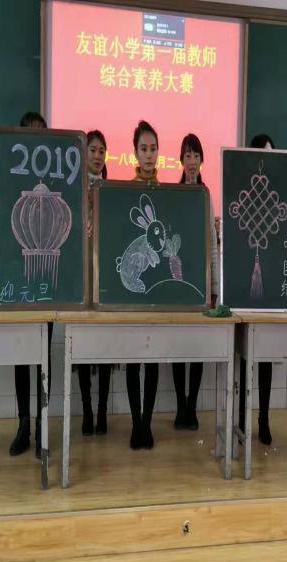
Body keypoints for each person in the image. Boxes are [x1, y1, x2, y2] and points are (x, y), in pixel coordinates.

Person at [238, 133, 287, 445]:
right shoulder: (242, 185)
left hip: (269, 284)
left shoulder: (281, 189)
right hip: (244, 283)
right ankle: (241, 417)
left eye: (272, 153)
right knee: (243, 357)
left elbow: (286, 238)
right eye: (263, 153)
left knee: (264, 356)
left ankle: (263, 418)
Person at [6, 111, 52, 457]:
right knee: (22, 358)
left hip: (50, 286)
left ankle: (42, 426)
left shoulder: (59, 178)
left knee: (44, 360)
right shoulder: (9, 178)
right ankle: (24, 424)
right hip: (17, 283)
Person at [171, 133, 220, 430]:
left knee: (198, 347)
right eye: (187, 156)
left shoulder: (206, 195)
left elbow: (212, 243)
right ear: (181, 160)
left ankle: (192, 406)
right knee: (179, 347)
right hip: (179, 281)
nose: (192, 161)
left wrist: (214, 289)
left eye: (196, 155)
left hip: (201, 283)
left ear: (202, 160)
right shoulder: (175, 194)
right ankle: (180, 406)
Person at [126, 120, 161, 449]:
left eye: (153, 149)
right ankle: (135, 423)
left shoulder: (167, 192)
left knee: (152, 358)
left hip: (158, 290)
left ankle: (147, 423)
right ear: (135, 153)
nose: (149, 155)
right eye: (144, 149)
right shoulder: (125, 191)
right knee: (133, 357)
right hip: (130, 292)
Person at [78, 129, 112, 435]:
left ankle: (102, 410)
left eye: (102, 151)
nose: (98, 155)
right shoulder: (73, 187)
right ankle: (86, 409)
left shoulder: (110, 189)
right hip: (81, 276)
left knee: (104, 348)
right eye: (93, 150)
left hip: (105, 278)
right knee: (82, 346)